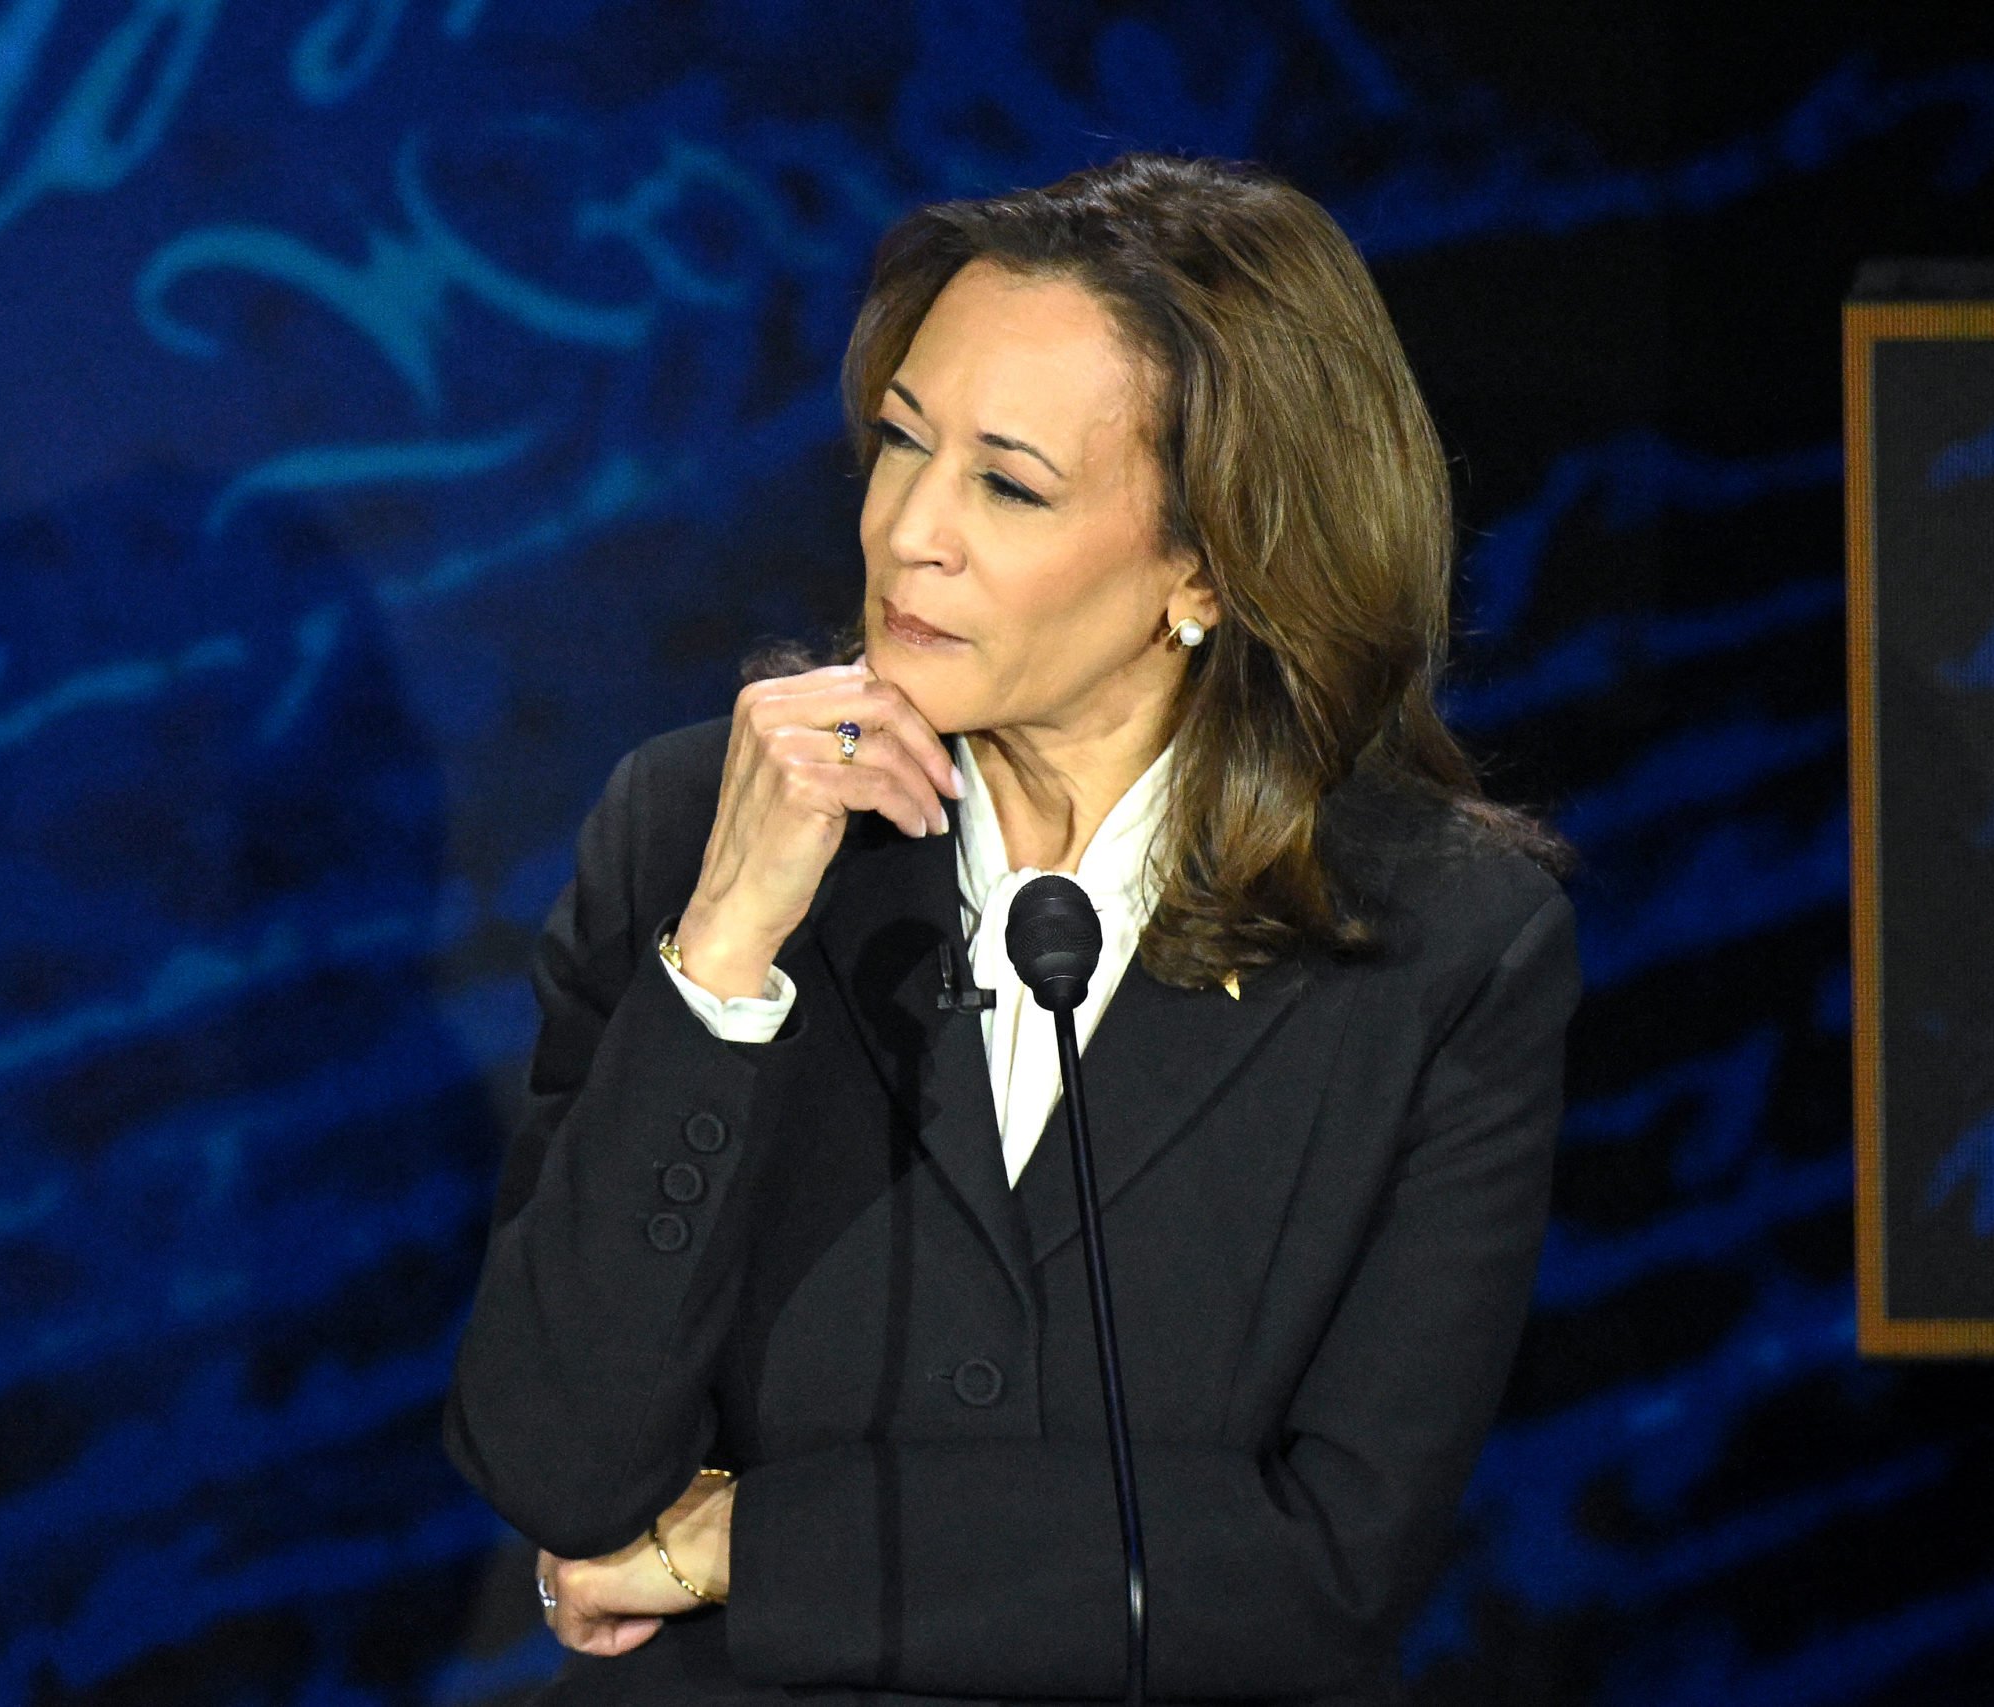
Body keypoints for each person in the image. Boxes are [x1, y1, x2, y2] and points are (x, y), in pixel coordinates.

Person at [442, 150, 1579, 1705]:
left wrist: (754, 1545)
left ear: (1209, 562)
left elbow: (1324, 1567)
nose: (911, 532)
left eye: (1009, 483)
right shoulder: (690, 826)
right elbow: (555, 1468)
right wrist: (722, 957)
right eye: (901, 445)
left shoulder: (1443, 938)